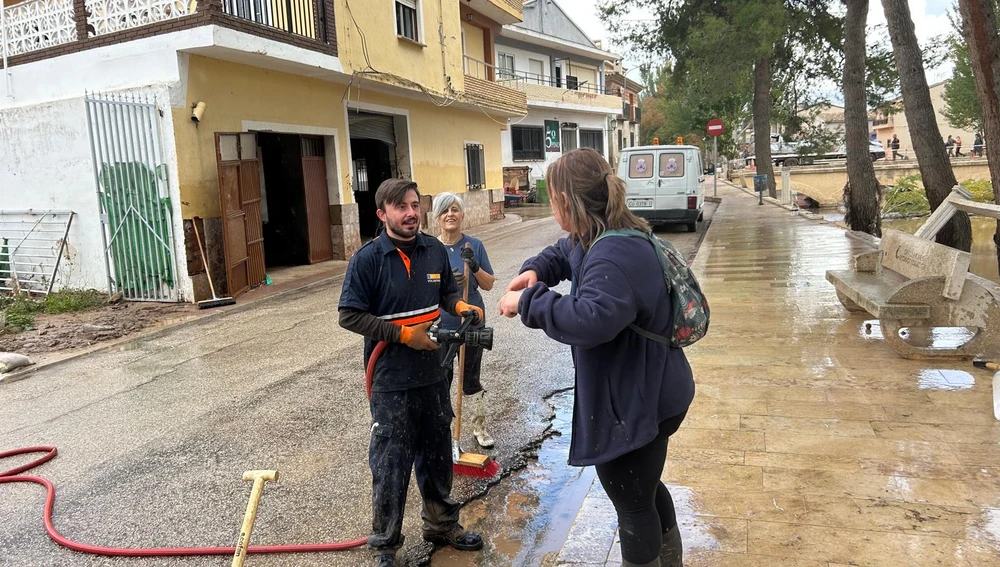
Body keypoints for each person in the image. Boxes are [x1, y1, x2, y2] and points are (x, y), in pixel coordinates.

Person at [498, 148, 695, 567]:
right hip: (655, 389)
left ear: (564, 202)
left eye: (552, 199)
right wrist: (538, 270)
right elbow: (565, 251)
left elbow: (590, 320)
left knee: (631, 499)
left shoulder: (614, 254)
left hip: (640, 400)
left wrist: (528, 302)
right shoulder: (604, 233)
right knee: (644, 487)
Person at [338, 179, 485, 567]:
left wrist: (461, 306)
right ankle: (386, 545)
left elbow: (446, 295)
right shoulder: (367, 260)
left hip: (435, 374)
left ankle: (440, 525)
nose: (410, 213)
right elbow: (349, 315)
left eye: (415, 205)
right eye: (400, 207)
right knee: (391, 463)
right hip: (390, 381)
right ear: (381, 214)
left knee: (437, 455)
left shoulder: (434, 249)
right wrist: (402, 334)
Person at [433, 192, 497, 449]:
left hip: (472, 325)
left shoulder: (474, 246)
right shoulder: (430, 247)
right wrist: (445, 285)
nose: (450, 215)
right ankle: (443, 431)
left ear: (462, 215)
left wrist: (475, 267)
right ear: (437, 217)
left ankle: (480, 428)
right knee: (441, 380)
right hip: (442, 326)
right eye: (445, 210)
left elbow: (489, 284)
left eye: (455, 210)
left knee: (470, 379)